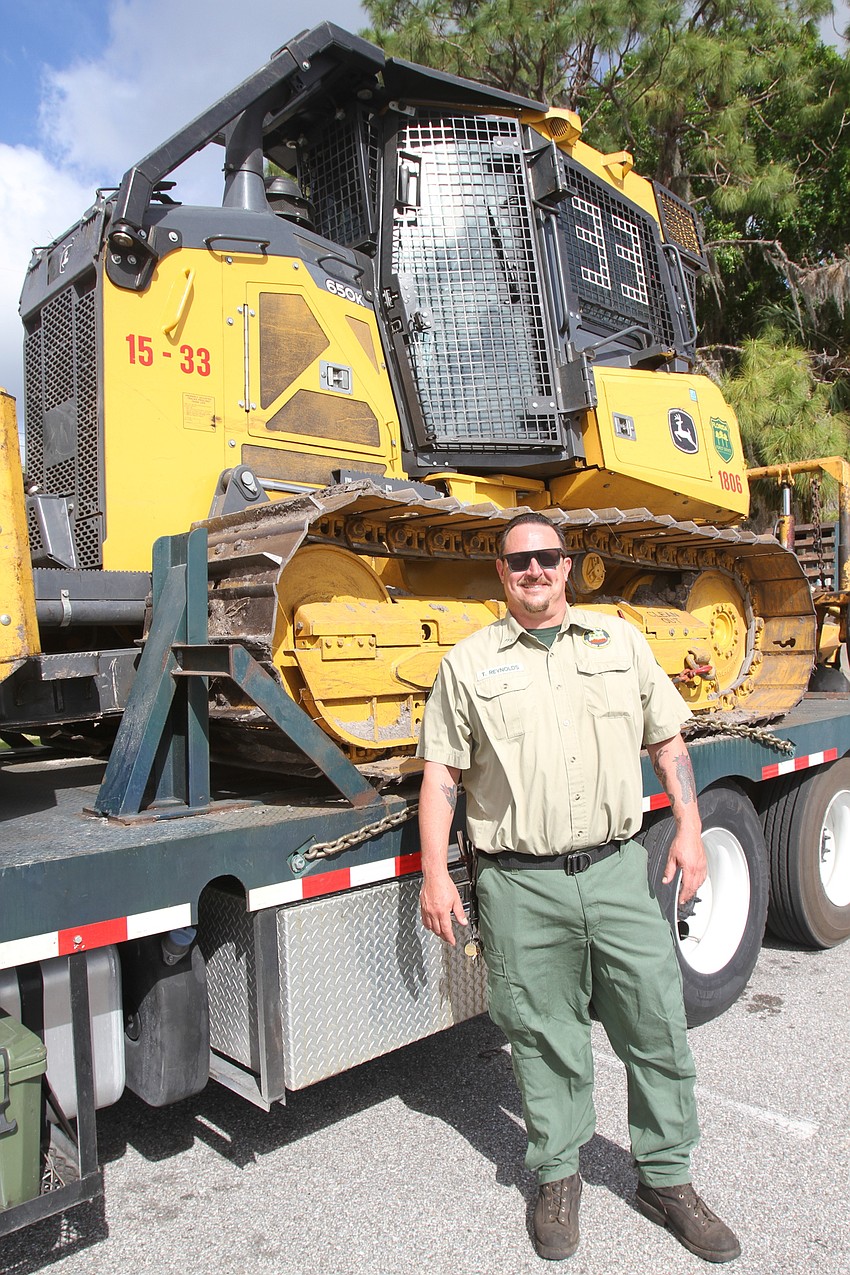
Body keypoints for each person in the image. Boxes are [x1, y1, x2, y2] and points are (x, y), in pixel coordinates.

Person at [417, 511, 741, 1264]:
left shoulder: (619, 642)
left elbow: (667, 741)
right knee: (542, 1036)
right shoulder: (468, 665)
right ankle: (558, 1175)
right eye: (518, 560)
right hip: (521, 886)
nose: (534, 570)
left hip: (617, 871)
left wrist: (689, 827)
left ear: (568, 567)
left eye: (547, 558)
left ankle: (665, 1178)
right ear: (501, 574)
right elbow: (441, 779)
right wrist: (436, 873)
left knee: (656, 1023)